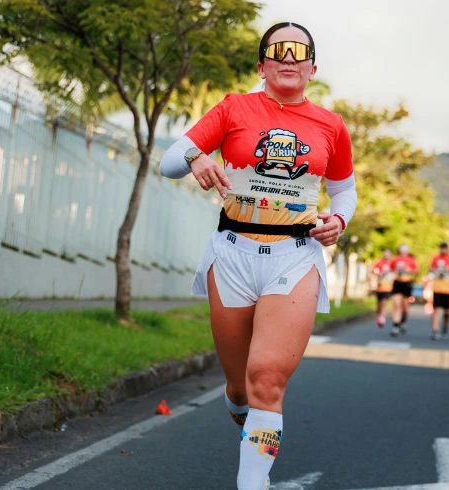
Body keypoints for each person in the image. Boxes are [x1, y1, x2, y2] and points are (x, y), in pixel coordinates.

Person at [159, 22, 356, 489]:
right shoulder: (234, 108)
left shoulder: (330, 124)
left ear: (312, 68)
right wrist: (196, 157)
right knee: (240, 387)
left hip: (295, 256)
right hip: (232, 256)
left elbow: (344, 190)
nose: (288, 57)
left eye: (299, 51)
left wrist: (339, 220)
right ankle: (242, 411)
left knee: (266, 379)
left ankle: (253, 483)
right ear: (262, 65)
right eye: (278, 49)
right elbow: (169, 162)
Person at [426, 242, 449, 340]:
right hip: (437, 288)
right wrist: (435, 270)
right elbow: (430, 270)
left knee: (447, 312)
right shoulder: (435, 258)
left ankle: (445, 327)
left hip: (447, 289)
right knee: (436, 310)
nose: (443, 250)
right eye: (442, 248)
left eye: (445, 248)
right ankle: (435, 330)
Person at [389, 245, 419, 337]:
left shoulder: (411, 260)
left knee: (405, 306)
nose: (403, 252)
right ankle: (395, 326)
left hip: (407, 283)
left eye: (405, 250)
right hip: (397, 283)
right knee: (397, 304)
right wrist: (396, 272)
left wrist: (409, 270)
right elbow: (390, 269)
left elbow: (417, 271)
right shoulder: (395, 259)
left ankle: (402, 321)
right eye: (402, 250)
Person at [369, 250, 395, 328]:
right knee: (379, 304)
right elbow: (373, 271)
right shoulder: (379, 262)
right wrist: (378, 273)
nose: (387, 256)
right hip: (379, 287)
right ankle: (379, 316)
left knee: (384, 302)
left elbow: (395, 273)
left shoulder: (392, 263)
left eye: (388, 255)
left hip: (388, 287)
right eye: (385, 255)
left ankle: (382, 318)